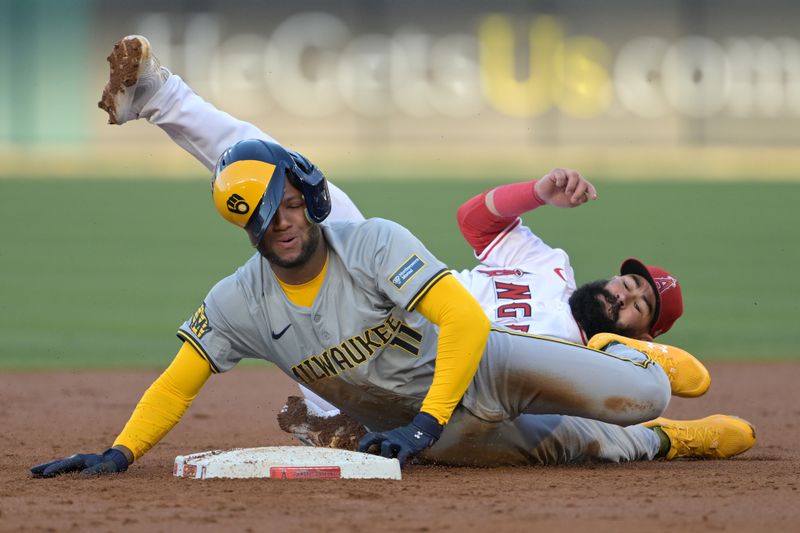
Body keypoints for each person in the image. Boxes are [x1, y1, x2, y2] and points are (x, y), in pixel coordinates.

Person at [31, 36, 750, 477]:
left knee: (624, 411)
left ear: (642, 329)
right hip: (406, 352)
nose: (626, 294)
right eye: (631, 282)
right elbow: (474, 219)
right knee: (270, 171)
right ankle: (160, 94)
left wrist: (429, 421)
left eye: (639, 308)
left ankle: (664, 414)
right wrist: (121, 451)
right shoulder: (547, 261)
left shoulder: (584, 338)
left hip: (478, 379)